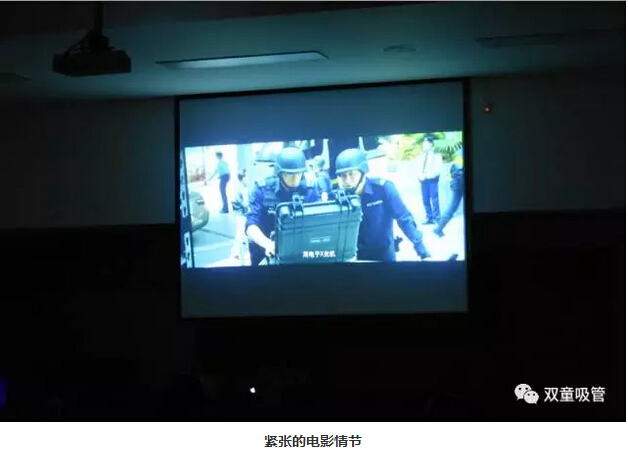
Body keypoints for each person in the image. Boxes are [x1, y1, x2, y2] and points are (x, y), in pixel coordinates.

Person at [335, 148, 430, 262]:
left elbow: (404, 218)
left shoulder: (383, 188)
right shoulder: (339, 198)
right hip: (354, 258)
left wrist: (423, 251)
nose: (347, 180)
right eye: (343, 176)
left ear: (363, 172)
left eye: (352, 174)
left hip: (384, 257)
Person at [245, 147, 320, 266]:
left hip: (300, 251)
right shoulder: (262, 189)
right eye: (289, 174)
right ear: (280, 173)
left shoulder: (310, 190)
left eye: (298, 173)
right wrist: (267, 244)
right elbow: (251, 226)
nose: (295, 178)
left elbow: (320, 222)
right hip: (266, 252)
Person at [434, 149, 464, 237]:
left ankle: (439, 228)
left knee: (452, 207)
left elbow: (456, 168)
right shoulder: (465, 151)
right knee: (453, 207)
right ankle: (438, 228)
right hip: (461, 182)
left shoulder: (460, 152)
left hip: (457, 182)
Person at [418, 136, 442, 225]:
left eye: (426, 143)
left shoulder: (436, 155)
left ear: (431, 144)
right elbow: (419, 167)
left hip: (432, 180)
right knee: (425, 199)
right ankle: (429, 217)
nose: (424, 145)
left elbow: (437, 170)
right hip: (423, 180)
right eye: (423, 143)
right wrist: (419, 176)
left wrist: (427, 176)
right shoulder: (421, 155)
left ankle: (437, 218)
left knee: (434, 199)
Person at [231, 170, 250, 264]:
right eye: (246, 177)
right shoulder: (243, 189)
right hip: (241, 214)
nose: (248, 179)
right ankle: (236, 253)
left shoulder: (238, 187)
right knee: (240, 233)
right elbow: (245, 204)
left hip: (238, 213)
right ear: (243, 179)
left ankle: (237, 252)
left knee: (241, 233)